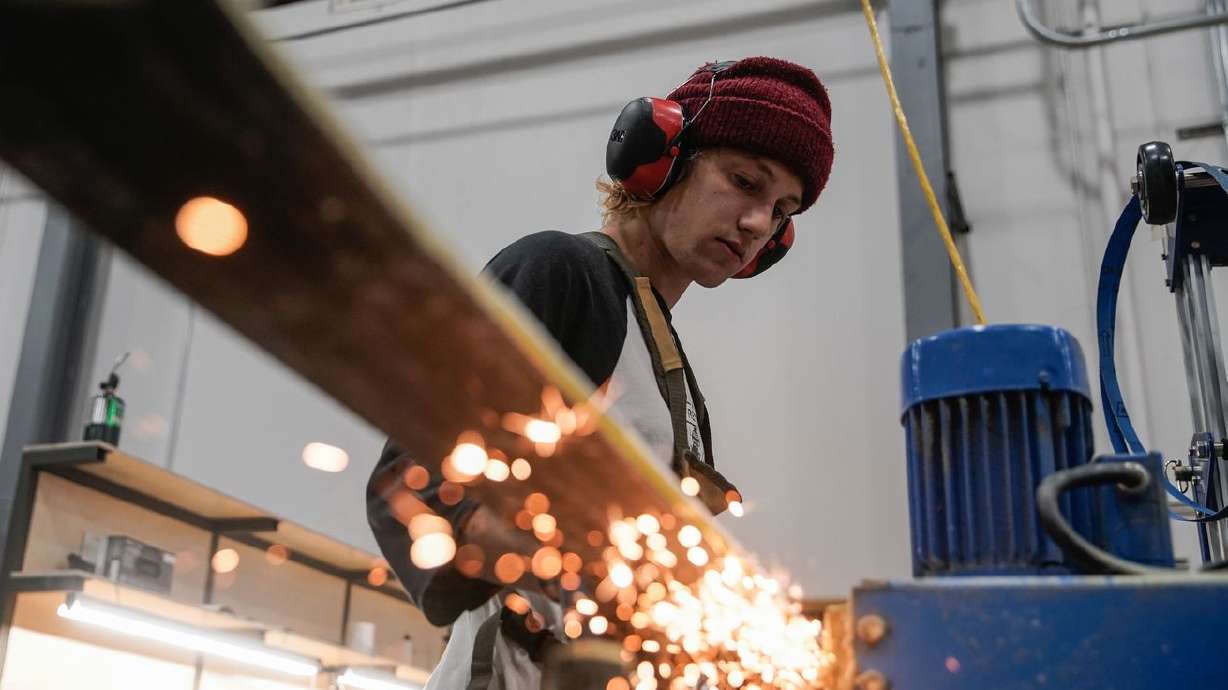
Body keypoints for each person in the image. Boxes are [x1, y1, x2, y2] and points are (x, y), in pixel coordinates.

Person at [367, 56, 833, 690]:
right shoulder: (562, 273)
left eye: (782, 211)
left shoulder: (677, 387)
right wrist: (571, 564)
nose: (758, 224)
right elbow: (413, 484)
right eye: (745, 182)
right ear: (660, 157)